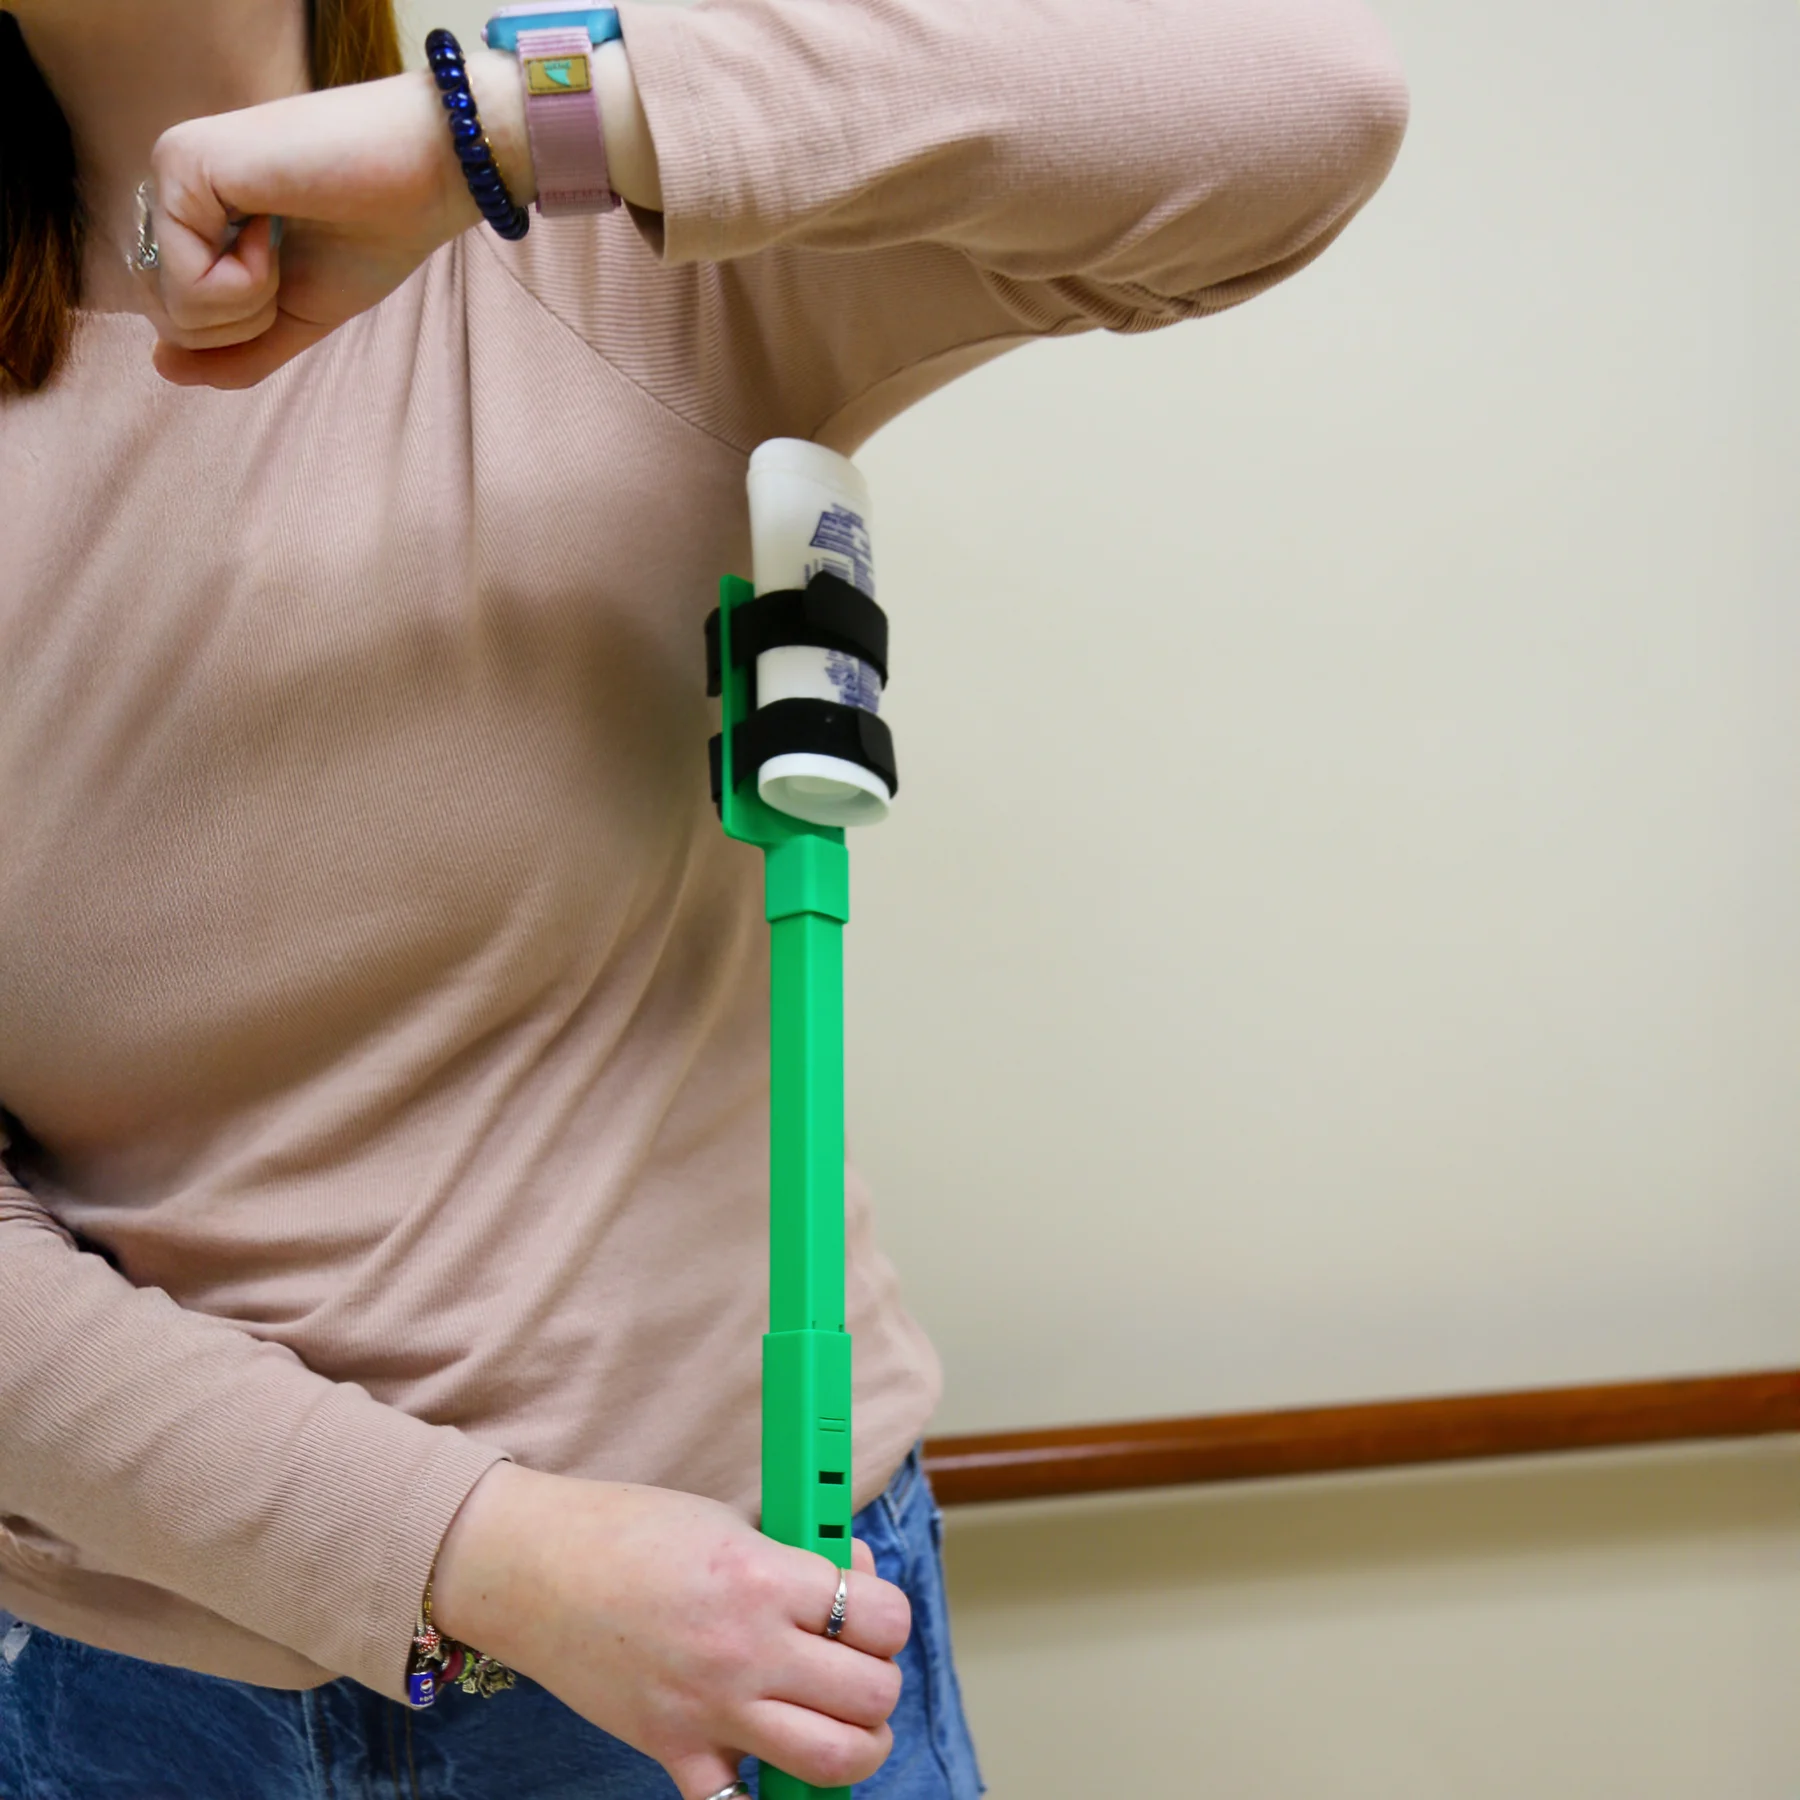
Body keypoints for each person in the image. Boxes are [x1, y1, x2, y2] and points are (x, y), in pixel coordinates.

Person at [0, 0, 1407, 1793]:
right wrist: (484, 1552)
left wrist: (484, 136)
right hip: (141, 1694)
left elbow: (1308, 100)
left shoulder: (587, 242)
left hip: (750, 1616)